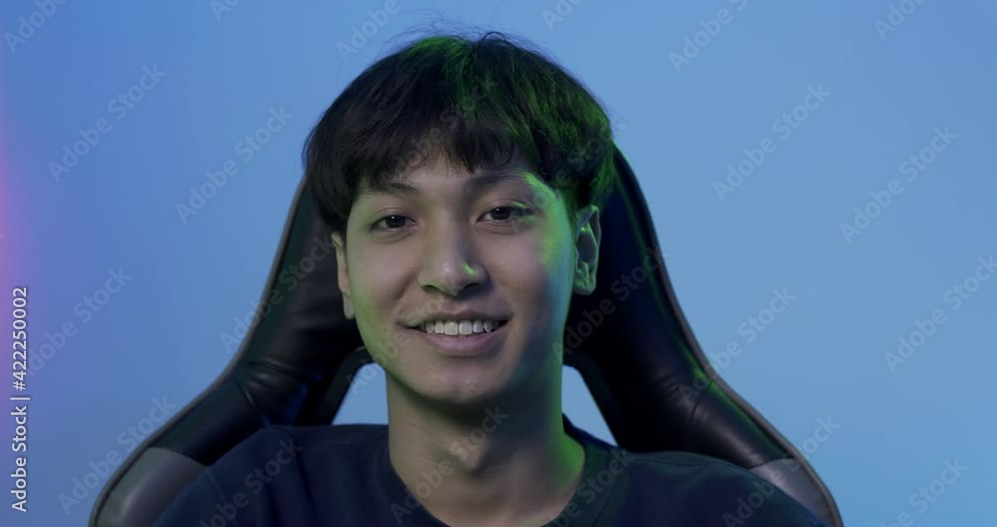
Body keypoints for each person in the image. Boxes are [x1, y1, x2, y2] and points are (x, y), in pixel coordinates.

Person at [155, 30, 829, 526]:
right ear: (343, 272)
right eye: (394, 220)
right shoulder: (256, 503)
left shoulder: (730, 516)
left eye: (502, 212)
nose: (451, 272)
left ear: (584, 250)